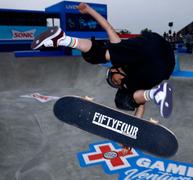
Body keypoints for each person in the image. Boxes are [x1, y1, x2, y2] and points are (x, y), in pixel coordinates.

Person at [32, 3, 175, 119]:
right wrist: (132, 135)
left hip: (154, 45)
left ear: (114, 70)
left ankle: (64, 39)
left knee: (104, 54)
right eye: (114, 84)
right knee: (121, 100)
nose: (117, 83)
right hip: (164, 66)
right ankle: (157, 94)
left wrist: (89, 10)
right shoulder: (130, 85)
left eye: (113, 80)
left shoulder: (119, 59)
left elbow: (107, 27)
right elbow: (140, 105)